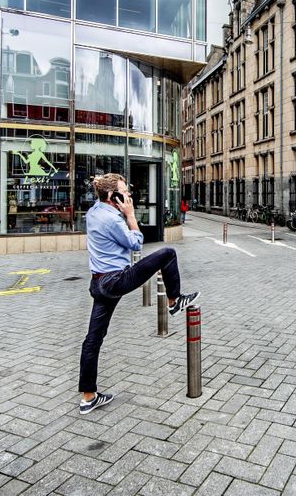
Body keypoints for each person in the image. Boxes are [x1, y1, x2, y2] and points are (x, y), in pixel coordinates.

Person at [78, 173, 200, 415]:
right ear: (113, 197)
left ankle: (88, 397)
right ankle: (174, 301)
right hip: (115, 280)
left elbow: (99, 198)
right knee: (167, 254)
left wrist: (100, 183)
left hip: (99, 283)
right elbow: (136, 243)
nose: (129, 196)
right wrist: (131, 216)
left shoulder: (94, 212)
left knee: (93, 340)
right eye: (125, 192)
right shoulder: (112, 220)